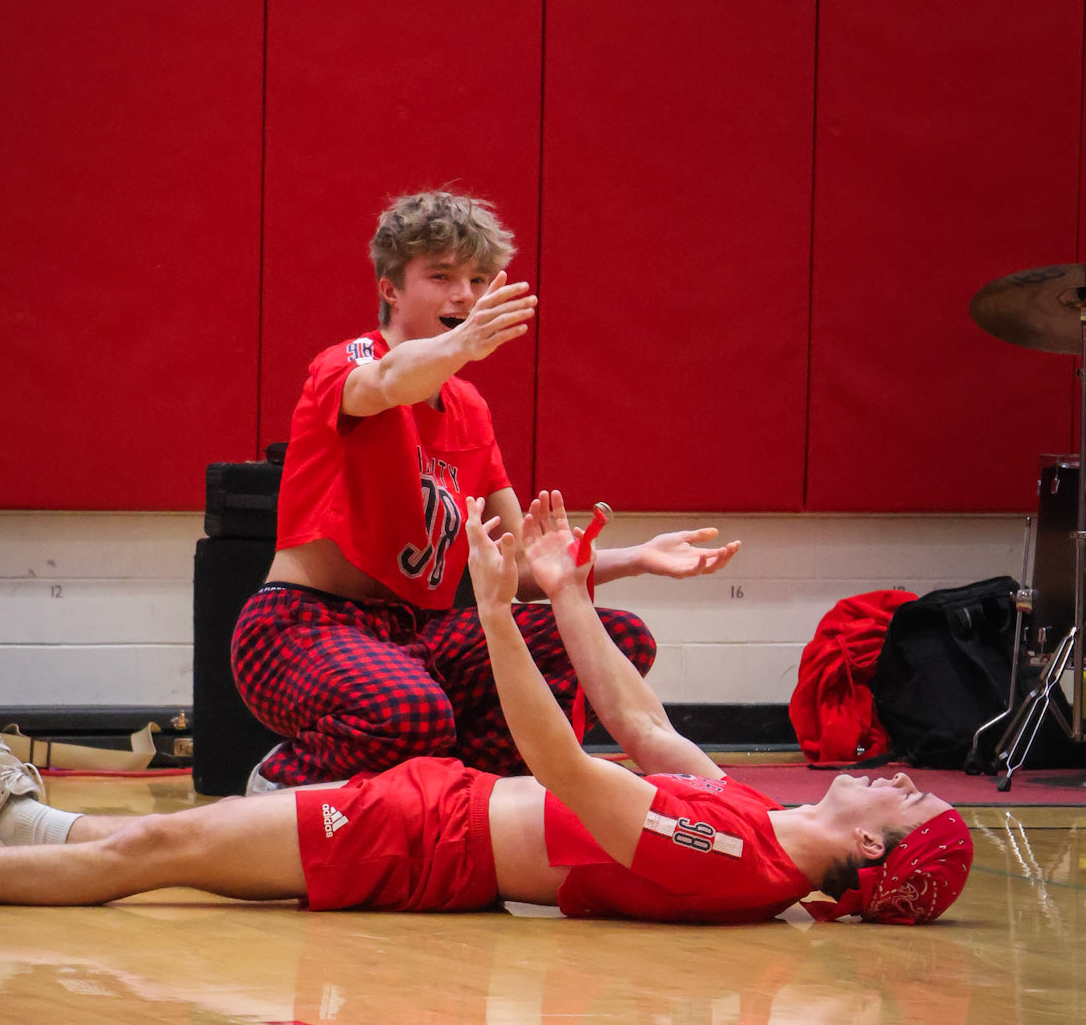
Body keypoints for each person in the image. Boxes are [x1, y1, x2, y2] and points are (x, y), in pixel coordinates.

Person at [0, 495, 972, 927]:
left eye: (908, 801)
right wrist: (566, 589)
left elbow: (567, 766)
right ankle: (15, 826)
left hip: (422, 840)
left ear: (874, 850)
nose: (898, 775)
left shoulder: (737, 858)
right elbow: (640, 725)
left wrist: (502, 613)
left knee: (154, 852)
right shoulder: (755, 829)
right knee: (164, 845)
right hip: (436, 816)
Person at [232, 189, 740, 790]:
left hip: (416, 637)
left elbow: (521, 569)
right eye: (441, 276)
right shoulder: (349, 361)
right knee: (410, 710)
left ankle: (466, 792)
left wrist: (638, 558)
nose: (464, 295)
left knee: (614, 641)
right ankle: (280, 781)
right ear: (390, 289)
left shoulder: (470, 408)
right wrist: (459, 345)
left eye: (476, 279)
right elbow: (388, 381)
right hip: (300, 627)